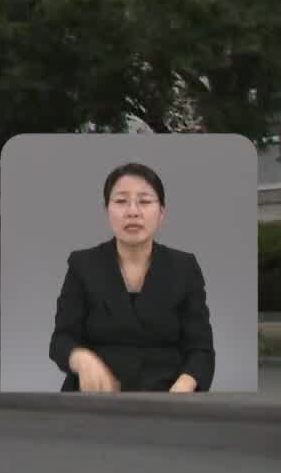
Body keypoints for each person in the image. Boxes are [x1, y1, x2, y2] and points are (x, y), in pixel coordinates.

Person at [48, 161, 214, 393]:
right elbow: (61, 340)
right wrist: (81, 358)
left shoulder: (184, 267)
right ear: (107, 210)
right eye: (121, 201)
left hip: (168, 398)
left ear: (161, 213)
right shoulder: (82, 265)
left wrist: (184, 386)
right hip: (94, 399)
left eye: (145, 201)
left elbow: (201, 350)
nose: (133, 211)